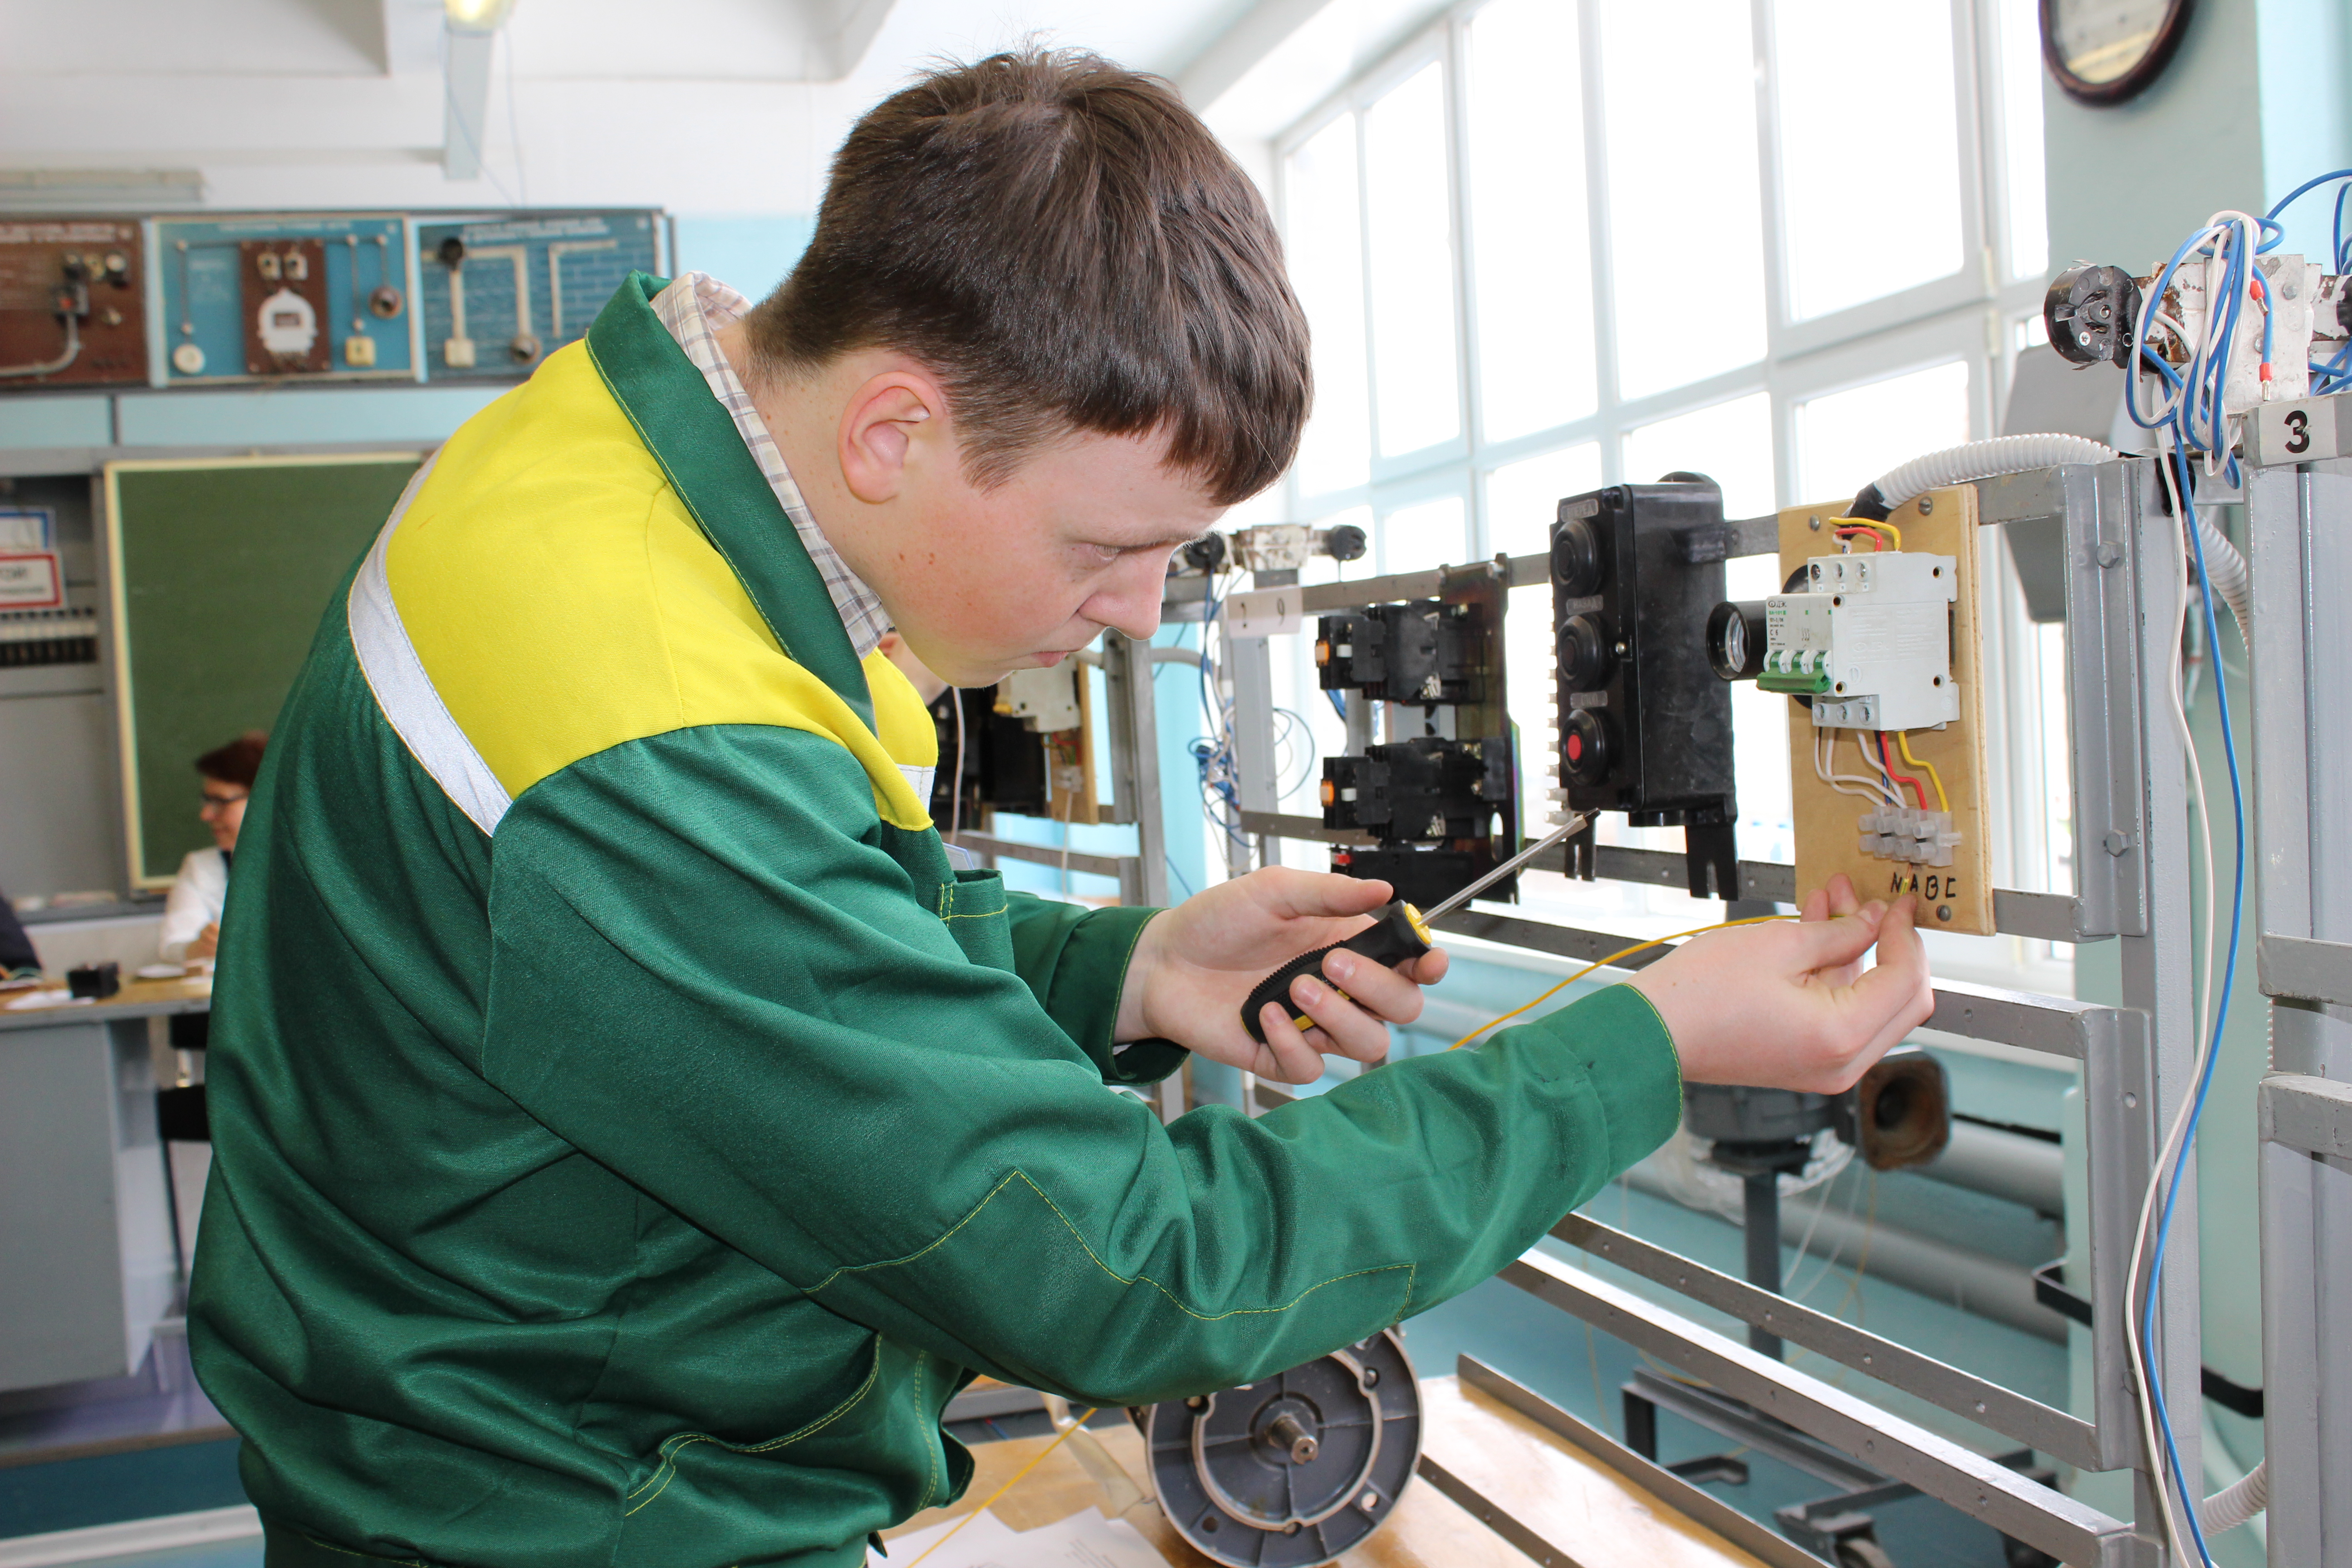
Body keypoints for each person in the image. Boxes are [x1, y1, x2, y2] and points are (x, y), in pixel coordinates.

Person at [189, 49, 1932, 1568]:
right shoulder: (646, 737)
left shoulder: (612, 474)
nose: (1139, 614)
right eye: (1109, 546)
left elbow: (780, 951)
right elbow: (1130, 1274)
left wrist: (1119, 971)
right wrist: (1643, 1040)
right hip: (570, 1517)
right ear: (895, 432)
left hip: (533, 1446)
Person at [158, 731, 265, 964]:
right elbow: (173, 946)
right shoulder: (203, 867)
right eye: (207, 801)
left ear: (263, 798)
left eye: (220, 802)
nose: (206, 815)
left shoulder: (321, 865)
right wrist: (199, 948)